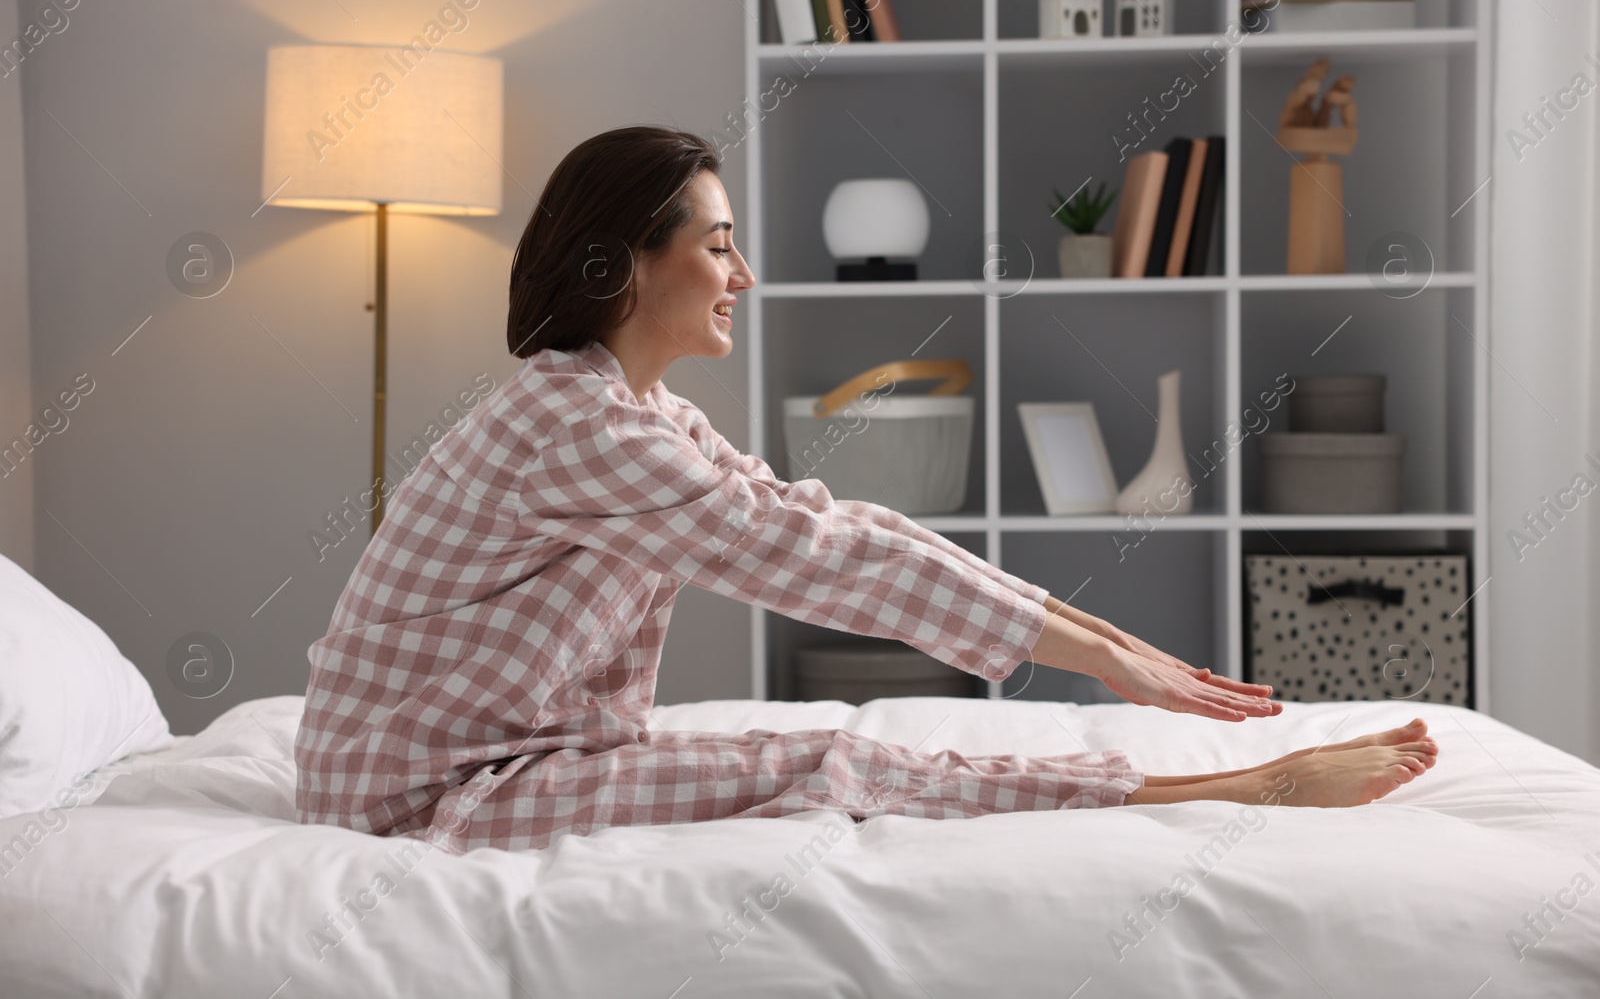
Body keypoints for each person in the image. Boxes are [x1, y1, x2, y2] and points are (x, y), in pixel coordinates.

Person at [293, 126, 1437, 853]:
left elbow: (833, 526)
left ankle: (1220, 774)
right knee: (822, 759)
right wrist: (1103, 661)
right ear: (622, 266)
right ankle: (1242, 788)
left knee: (821, 747)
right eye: (720, 244)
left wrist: (1114, 644)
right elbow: (813, 564)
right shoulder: (576, 426)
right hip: (426, 797)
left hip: (507, 759)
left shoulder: (639, 415)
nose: (744, 274)